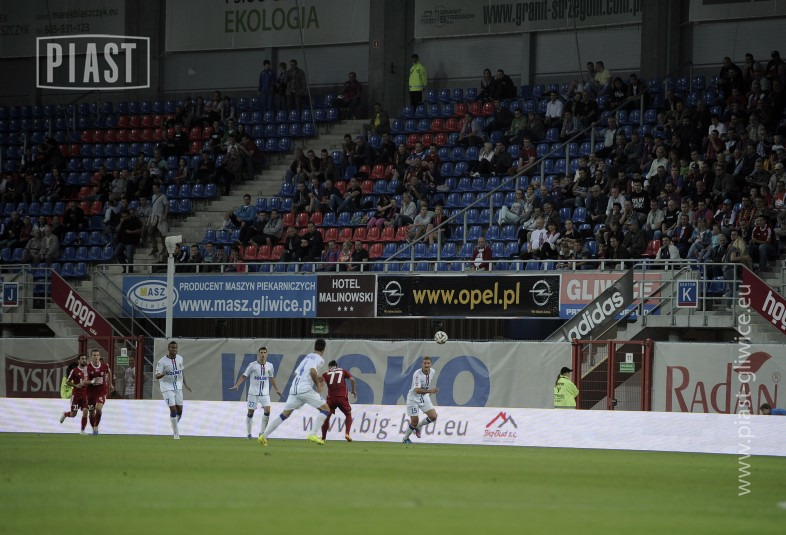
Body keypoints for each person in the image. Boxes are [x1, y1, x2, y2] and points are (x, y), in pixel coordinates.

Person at [257, 338, 332, 446]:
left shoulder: (308, 356)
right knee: (326, 409)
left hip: (294, 388)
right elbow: (312, 371)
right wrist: (318, 385)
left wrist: (317, 377)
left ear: (314, 346)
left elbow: (298, 373)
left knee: (284, 414)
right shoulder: (319, 359)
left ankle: (264, 436)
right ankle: (312, 434)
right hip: (305, 389)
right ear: (324, 349)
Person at [230, 347, 282, 439]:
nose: (263, 354)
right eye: (261, 352)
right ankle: (249, 433)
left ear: (267, 354)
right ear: (258, 354)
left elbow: (271, 378)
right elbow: (244, 375)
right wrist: (237, 384)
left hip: (265, 394)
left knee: (267, 410)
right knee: (251, 412)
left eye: (264, 352)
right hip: (253, 394)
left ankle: (262, 433)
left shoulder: (270, 366)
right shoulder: (252, 365)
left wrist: (277, 389)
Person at [155, 341, 192, 440]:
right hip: (166, 387)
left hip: (178, 387)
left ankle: (174, 424)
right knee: (173, 409)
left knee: (180, 411)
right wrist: (164, 374)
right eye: (172, 348)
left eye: (176, 348)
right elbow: (157, 376)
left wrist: (185, 384)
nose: (174, 349)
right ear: (168, 349)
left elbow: (181, 371)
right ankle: (176, 434)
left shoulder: (180, 358)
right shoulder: (162, 361)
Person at [402, 356, 439, 444]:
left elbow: (426, 384)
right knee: (414, 422)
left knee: (433, 416)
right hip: (413, 399)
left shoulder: (432, 371)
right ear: (422, 364)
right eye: (424, 363)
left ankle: (418, 427)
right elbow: (417, 390)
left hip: (424, 397)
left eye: (428, 363)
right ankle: (405, 438)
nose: (426, 365)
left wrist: (428, 392)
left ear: (431, 364)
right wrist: (430, 391)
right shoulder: (417, 374)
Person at [319, 360, 357, 442]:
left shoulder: (326, 373)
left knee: (326, 417)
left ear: (329, 366)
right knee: (348, 414)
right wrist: (353, 390)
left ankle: (323, 438)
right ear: (336, 366)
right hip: (342, 397)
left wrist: (318, 395)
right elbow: (352, 380)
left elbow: (321, 385)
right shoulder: (343, 371)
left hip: (331, 399)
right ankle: (347, 434)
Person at [59, 353, 90, 434]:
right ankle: (65, 414)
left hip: (85, 395)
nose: (84, 360)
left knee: (85, 411)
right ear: (79, 360)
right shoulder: (74, 371)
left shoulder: (88, 370)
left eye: (85, 359)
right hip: (76, 395)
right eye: (82, 359)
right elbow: (68, 382)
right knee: (73, 414)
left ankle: (82, 430)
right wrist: (76, 385)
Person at [86, 349, 113, 436]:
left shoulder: (105, 366)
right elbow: (84, 381)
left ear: (99, 356)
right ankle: (94, 428)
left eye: (97, 355)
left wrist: (110, 384)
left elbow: (109, 372)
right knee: (91, 413)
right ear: (91, 357)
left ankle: (95, 426)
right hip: (90, 393)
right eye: (94, 355)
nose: (96, 357)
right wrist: (92, 381)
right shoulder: (87, 368)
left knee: (98, 408)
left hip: (101, 391)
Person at [148, 181, 168, 255]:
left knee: (162, 233)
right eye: (153, 188)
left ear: (159, 188)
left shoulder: (163, 196)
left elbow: (166, 206)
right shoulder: (153, 196)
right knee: (150, 231)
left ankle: (164, 248)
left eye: (156, 188)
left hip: (160, 216)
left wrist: (165, 215)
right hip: (154, 216)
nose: (154, 190)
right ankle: (155, 248)